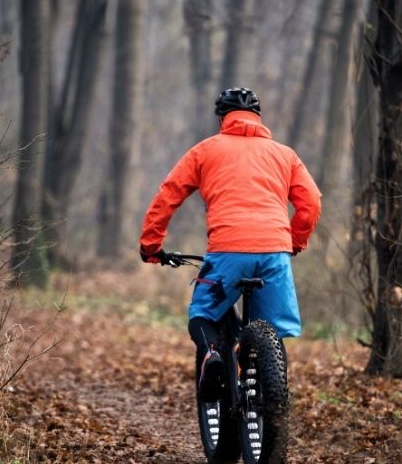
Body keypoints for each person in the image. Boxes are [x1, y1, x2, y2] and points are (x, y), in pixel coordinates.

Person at [138, 87, 322, 401]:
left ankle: (212, 355)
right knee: (271, 332)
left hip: (228, 251)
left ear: (223, 118)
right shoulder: (285, 155)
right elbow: (311, 204)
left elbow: (167, 197)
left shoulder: (205, 151)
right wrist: (293, 242)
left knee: (203, 313)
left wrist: (151, 246)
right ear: (258, 118)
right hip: (274, 254)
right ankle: (271, 395)